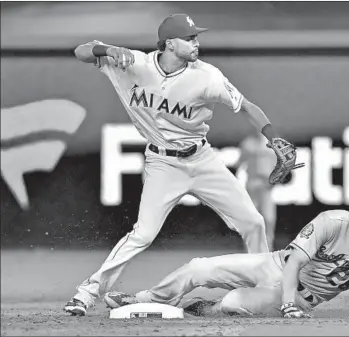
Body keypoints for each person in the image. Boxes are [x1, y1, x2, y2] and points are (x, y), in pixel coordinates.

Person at [64, 13, 299, 316]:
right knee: (143, 234)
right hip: (163, 163)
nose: (196, 43)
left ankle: (267, 289)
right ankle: (88, 292)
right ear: (170, 44)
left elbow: (247, 107)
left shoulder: (207, 77)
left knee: (253, 222)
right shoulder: (132, 64)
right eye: (189, 38)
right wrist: (105, 50)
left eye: (196, 37)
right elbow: (81, 51)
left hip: (202, 160)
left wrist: (274, 137)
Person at [103, 195, 349, 318]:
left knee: (232, 303)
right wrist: (285, 302)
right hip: (277, 264)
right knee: (199, 268)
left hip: (301, 297)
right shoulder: (333, 220)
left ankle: (206, 310)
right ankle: (144, 299)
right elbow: (296, 262)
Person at [237, 132, 277, 250]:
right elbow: (240, 162)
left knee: (268, 218)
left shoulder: (274, 144)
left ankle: (268, 248)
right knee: (252, 217)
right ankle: (250, 248)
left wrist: (274, 180)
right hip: (252, 181)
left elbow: (279, 164)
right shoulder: (248, 143)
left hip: (267, 183)